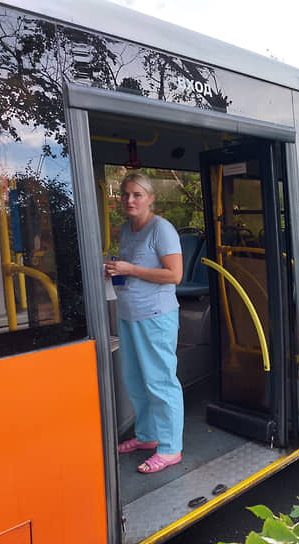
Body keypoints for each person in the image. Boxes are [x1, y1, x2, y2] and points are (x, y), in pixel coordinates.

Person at [105, 172, 184, 474]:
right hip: (128, 313)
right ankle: (148, 437)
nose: (129, 200)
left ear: (150, 198)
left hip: (155, 317)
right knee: (136, 381)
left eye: (137, 194)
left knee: (161, 382)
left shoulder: (161, 229)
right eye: (125, 194)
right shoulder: (126, 230)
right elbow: (132, 272)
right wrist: (116, 272)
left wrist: (131, 269)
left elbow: (174, 275)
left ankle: (170, 448)